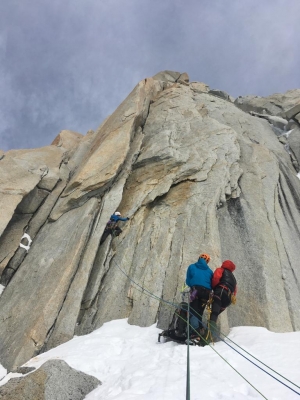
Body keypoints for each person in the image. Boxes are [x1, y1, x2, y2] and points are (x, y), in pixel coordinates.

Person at [208, 260, 237, 340]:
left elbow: (216, 279)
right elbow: (235, 291)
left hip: (220, 292)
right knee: (216, 313)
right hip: (228, 299)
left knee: (214, 313)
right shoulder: (234, 279)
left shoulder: (221, 270)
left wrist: (213, 288)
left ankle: (209, 335)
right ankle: (209, 333)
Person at [185, 253, 213, 337]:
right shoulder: (210, 271)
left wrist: (192, 287)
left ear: (199, 259)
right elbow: (211, 283)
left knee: (193, 311)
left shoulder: (192, 267)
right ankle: (200, 330)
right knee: (199, 312)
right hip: (206, 293)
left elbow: (188, 280)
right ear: (207, 262)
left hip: (196, 291)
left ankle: (194, 332)